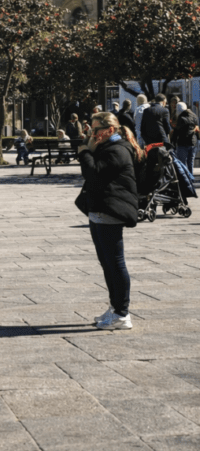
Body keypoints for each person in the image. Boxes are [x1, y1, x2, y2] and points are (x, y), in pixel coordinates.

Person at [77, 111, 141, 331]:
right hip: (100, 209)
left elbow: (93, 174)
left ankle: (123, 314)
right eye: (91, 130)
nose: (91, 134)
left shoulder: (117, 150)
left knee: (115, 263)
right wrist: (90, 149)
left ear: (110, 130)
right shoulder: (107, 147)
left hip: (111, 210)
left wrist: (85, 152)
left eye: (95, 130)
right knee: (107, 263)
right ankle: (115, 307)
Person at [172, 102, 199, 173]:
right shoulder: (194, 115)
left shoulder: (181, 118)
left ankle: (185, 180)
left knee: (182, 163)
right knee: (190, 162)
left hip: (183, 143)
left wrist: (173, 142)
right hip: (193, 142)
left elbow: (176, 132)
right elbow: (196, 128)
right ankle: (191, 179)